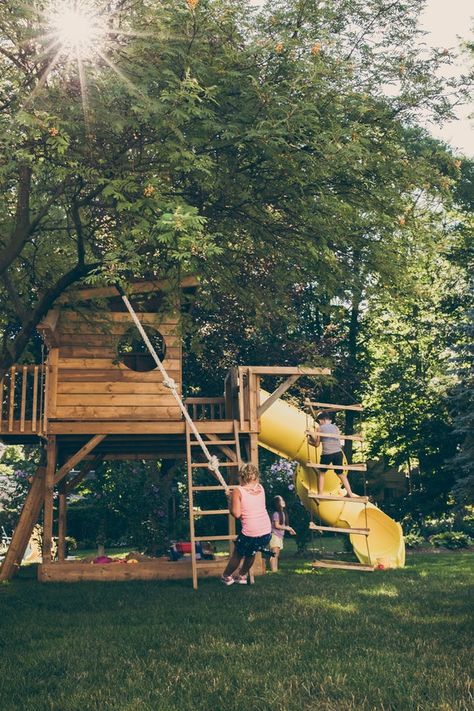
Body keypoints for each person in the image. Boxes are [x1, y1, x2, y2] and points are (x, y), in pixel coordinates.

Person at [221, 463, 271, 586]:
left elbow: (237, 514)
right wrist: (234, 497)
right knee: (251, 553)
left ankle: (226, 576)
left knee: (237, 554)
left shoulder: (238, 491)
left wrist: (230, 499)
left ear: (241, 476)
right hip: (265, 531)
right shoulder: (260, 488)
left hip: (251, 532)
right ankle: (242, 575)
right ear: (256, 476)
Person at [306, 411, 355, 497]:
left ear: (324, 420)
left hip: (327, 453)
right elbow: (327, 439)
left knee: (321, 473)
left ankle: (320, 493)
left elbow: (317, 444)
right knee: (341, 474)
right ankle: (350, 493)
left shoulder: (319, 429)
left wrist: (310, 439)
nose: (319, 423)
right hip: (338, 453)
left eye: (320, 421)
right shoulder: (336, 428)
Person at [268, 495, 296, 572]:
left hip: (279, 536)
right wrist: (288, 528)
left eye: (283, 499)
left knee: (276, 555)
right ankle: (274, 570)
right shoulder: (276, 514)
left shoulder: (283, 513)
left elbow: (283, 525)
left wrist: (289, 529)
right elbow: (277, 525)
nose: (283, 501)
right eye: (281, 500)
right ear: (277, 503)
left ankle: (275, 570)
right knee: (274, 554)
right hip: (274, 536)